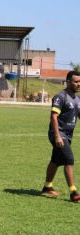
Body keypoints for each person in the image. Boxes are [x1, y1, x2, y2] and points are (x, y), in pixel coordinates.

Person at [41, 70, 80, 203]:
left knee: (56, 161)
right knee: (69, 160)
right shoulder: (60, 96)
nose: (78, 84)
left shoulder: (77, 99)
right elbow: (53, 116)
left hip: (68, 135)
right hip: (58, 133)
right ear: (68, 82)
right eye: (76, 81)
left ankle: (47, 187)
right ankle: (73, 192)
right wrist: (57, 136)